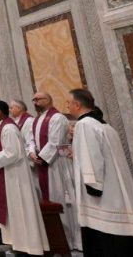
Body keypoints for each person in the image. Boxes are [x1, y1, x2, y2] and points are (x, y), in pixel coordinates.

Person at [68, 88, 133, 256]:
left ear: (77, 104)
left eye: (68, 103)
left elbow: (93, 159)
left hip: (102, 196)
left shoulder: (84, 125)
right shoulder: (103, 125)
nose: (68, 107)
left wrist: (93, 186)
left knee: (106, 237)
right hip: (115, 191)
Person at [0, 100, 48, 255]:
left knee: (20, 209)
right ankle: (17, 243)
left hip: (15, 176)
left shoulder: (9, 128)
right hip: (7, 173)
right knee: (13, 210)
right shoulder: (1, 126)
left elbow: (12, 153)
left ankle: (27, 246)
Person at [28, 92, 80, 250]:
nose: (36, 101)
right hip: (42, 163)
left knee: (61, 199)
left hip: (56, 164)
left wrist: (42, 157)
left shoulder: (57, 118)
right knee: (47, 198)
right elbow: (30, 139)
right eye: (34, 99)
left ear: (49, 100)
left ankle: (71, 240)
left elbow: (55, 142)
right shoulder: (36, 119)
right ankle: (53, 237)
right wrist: (31, 152)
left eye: (39, 99)